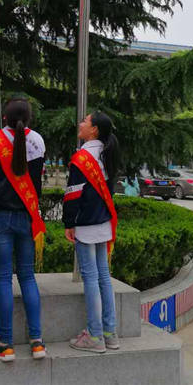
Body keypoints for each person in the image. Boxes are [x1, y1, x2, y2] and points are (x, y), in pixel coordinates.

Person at [0, 97, 47, 362]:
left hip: (1, 216)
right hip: (28, 216)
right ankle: (37, 343)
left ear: (5, 117)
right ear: (28, 118)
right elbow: (38, 175)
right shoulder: (38, 140)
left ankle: (5, 345)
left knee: (4, 278)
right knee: (28, 277)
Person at [63, 111, 121, 353]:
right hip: (103, 222)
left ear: (94, 129)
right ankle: (110, 333)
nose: (81, 124)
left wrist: (68, 223)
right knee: (103, 277)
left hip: (86, 224)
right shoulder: (107, 153)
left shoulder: (82, 158)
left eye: (85, 121)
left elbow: (73, 194)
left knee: (90, 278)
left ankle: (94, 336)